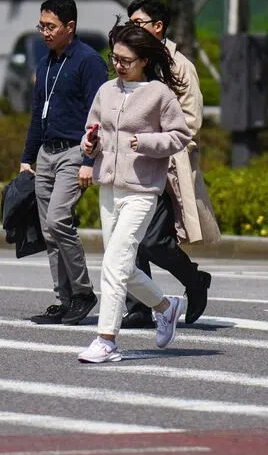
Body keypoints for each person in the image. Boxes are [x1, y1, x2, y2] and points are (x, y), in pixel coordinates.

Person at [77, 22, 191, 364]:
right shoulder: (106, 91)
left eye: (126, 60)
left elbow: (180, 135)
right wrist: (89, 144)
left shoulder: (159, 94)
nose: (118, 65)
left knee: (114, 263)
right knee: (121, 266)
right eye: (115, 58)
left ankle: (106, 340)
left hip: (142, 190)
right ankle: (166, 306)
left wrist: (146, 142)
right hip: (108, 187)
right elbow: (91, 129)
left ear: (143, 60)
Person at [121, 0, 217, 329]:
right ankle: (139, 306)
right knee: (128, 234)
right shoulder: (136, 64)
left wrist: (162, 148)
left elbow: (190, 121)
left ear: (158, 26)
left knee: (152, 241)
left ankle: (194, 280)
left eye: (138, 22)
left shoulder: (179, 66)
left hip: (166, 166)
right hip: (134, 164)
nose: (131, 28)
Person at [20, 0, 109, 326]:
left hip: (74, 151)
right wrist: (27, 157)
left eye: (50, 26)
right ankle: (65, 298)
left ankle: (84, 293)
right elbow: (35, 114)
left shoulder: (89, 62)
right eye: (41, 26)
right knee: (49, 232)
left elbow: (98, 116)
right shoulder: (45, 63)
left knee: (59, 221)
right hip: (46, 152)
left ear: (69, 27)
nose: (44, 32)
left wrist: (89, 158)